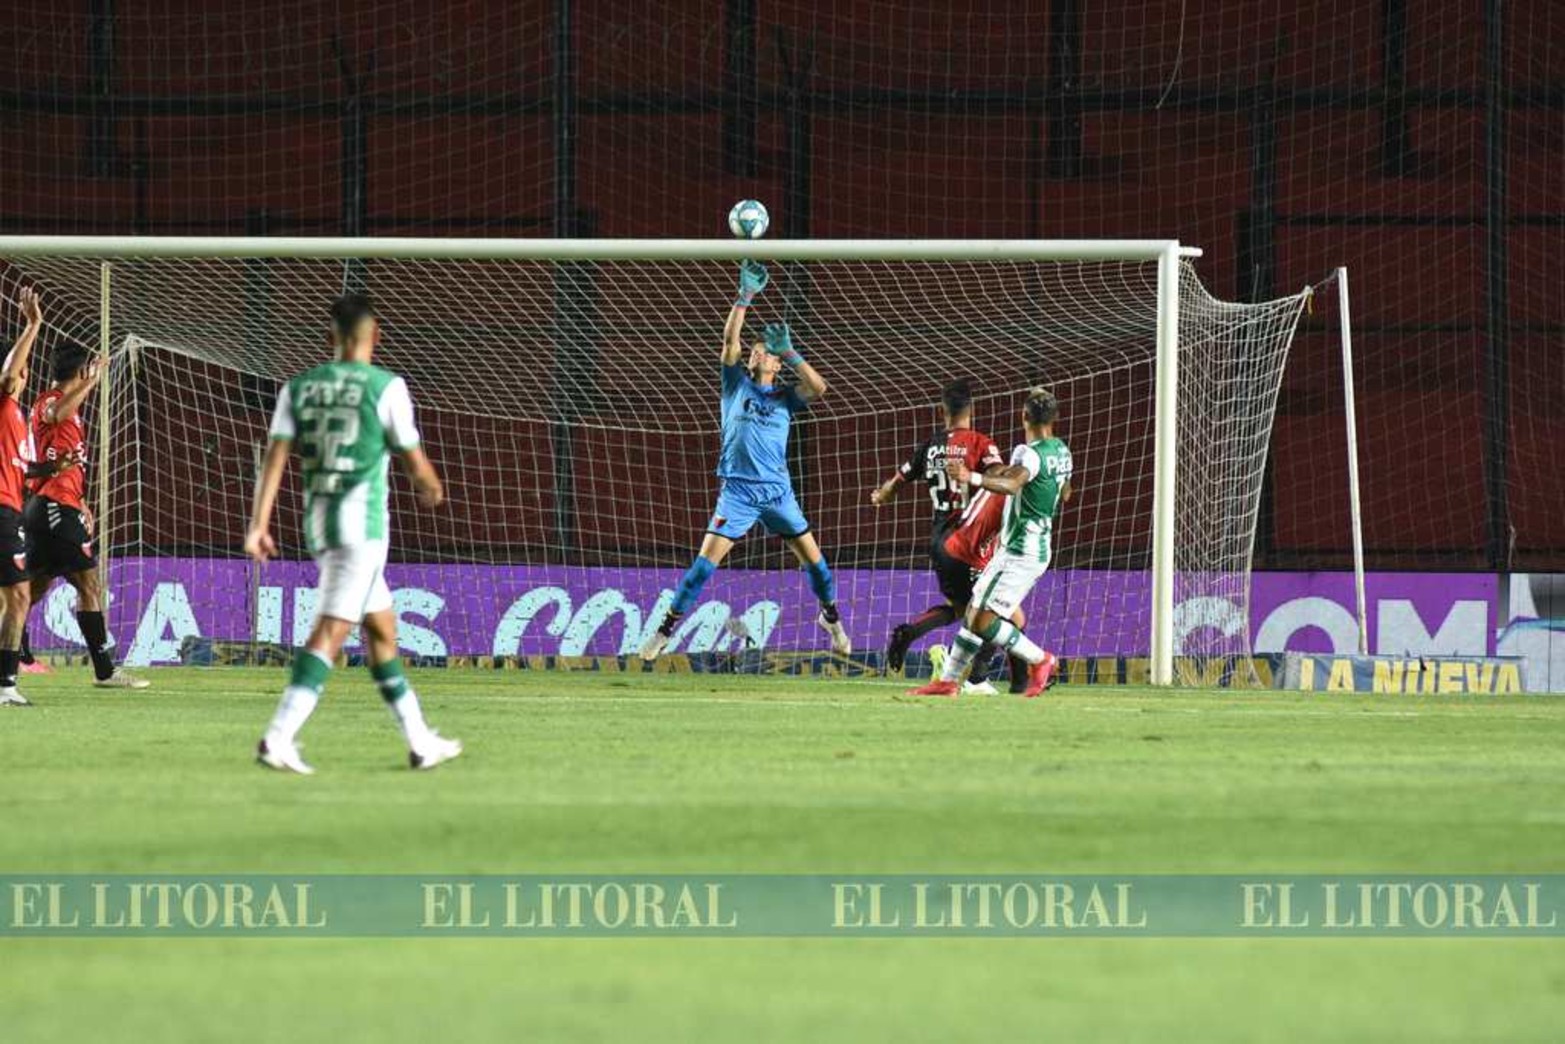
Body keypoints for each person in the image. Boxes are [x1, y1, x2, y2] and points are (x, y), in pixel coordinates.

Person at [245, 293, 459, 773]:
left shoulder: (298, 388)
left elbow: (276, 457)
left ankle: (420, 740)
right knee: (332, 630)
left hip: (319, 522)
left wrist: (258, 525)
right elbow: (415, 464)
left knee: (382, 630)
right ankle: (277, 737)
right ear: (375, 337)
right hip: (361, 527)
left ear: (329, 339)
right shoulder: (386, 387)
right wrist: (430, 486)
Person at [640, 260, 850, 661]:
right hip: (736, 493)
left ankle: (831, 618)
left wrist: (790, 352)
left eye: (766, 352)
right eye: (757, 350)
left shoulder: (786, 398)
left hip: (777, 494)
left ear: (775, 362)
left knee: (819, 568)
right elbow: (728, 342)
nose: (759, 353)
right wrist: (744, 298)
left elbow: (819, 387)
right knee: (702, 568)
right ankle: (665, 630)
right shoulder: (735, 385)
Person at [910, 387, 1071, 698]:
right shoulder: (1061, 451)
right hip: (1025, 546)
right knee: (973, 612)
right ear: (1055, 418)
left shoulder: (1028, 452)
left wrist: (973, 477)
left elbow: (1011, 485)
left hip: (1021, 550)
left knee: (984, 620)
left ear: (1023, 416)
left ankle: (1042, 660)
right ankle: (948, 681)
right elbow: (1065, 493)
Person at [870, 378, 1019, 692]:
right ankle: (978, 678)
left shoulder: (930, 445)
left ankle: (912, 633)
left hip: (937, 540)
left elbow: (897, 481)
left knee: (962, 608)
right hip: (968, 541)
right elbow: (996, 477)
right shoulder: (980, 442)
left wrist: (881, 496)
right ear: (971, 410)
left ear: (942, 411)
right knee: (1006, 616)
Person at [24, 340, 148, 690]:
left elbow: (64, 463)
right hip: (52, 509)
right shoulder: (50, 400)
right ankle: (105, 671)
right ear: (80, 372)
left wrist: (80, 501)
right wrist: (92, 381)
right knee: (88, 585)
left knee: (28, 594)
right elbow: (55, 414)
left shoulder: (69, 411)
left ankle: (13, 655)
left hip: (58, 506)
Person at [0, 289, 42, 706]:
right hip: (0, 511)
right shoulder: (4, 400)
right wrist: (33, 326)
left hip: (10, 509)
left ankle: (5, 685)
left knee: (14, 596)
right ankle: (5, 686)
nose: (26, 372)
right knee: (18, 596)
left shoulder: (14, 415)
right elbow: (9, 377)